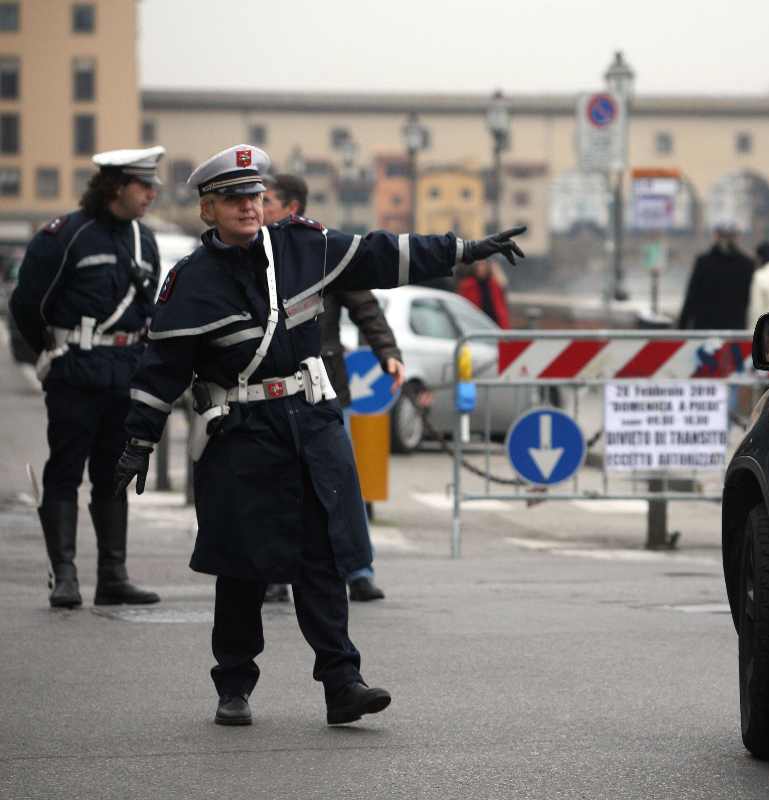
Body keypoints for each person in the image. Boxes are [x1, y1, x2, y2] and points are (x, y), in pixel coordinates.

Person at [112, 145, 524, 727]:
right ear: (208, 210)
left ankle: (342, 682)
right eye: (234, 198)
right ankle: (234, 684)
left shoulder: (302, 247)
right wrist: (138, 440)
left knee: (324, 557)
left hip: (312, 424)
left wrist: (462, 250)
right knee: (242, 566)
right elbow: (161, 371)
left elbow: (380, 253)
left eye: (254, 196)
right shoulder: (189, 282)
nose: (249, 207)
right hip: (241, 432)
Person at [9, 146, 166, 609]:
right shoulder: (65, 236)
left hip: (125, 372)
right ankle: (65, 576)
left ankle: (112, 576)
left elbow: (147, 309)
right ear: (116, 185)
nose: (152, 193)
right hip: (76, 373)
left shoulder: (146, 240)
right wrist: (54, 355)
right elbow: (25, 305)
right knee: (65, 470)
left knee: (113, 474)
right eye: (144, 185)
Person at [261, 172, 399, 603]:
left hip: (325, 386)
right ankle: (274, 573)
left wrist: (387, 351)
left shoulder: (324, 251)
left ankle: (358, 569)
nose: (257, 208)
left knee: (338, 480)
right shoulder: (252, 251)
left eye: (267, 201)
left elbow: (366, 307)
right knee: (276, 484)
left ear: (291, 208)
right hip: (270, 389)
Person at [678, 222, 756, 330]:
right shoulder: (747, 264)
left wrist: (682, 326)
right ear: (737, 237)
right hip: (735, 331)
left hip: (705, 330)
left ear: (716, 236)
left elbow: (691, 296)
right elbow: (751, 301)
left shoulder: (703, 262)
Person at [457, 258, 510, 328]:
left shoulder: (494, 285)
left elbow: (500, 309)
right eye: (478, 265)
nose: (481, 268)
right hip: (475, 324)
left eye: (483, 265)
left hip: (494, 324)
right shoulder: (467, 285)